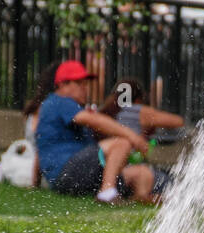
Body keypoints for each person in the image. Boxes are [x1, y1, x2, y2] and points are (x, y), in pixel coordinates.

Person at [34, 60, 157, 204]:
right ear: (62, 85)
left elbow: (40, 149)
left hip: (77, 175)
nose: (85, 89)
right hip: (68, 173)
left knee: (142, 172)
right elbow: (95, 120)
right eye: (79, 84)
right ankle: (107, 193)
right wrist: (133, 137)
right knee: (122, 142)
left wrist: (34, 183)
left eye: (86, 84)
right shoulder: (60, 101)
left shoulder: (55, 107)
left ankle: (140, 198)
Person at [98, 78, 184, 149]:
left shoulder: (108, 109)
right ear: (138, 98)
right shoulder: (137, 111)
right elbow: (178, 122)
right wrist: (150, 125)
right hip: (127, 160)